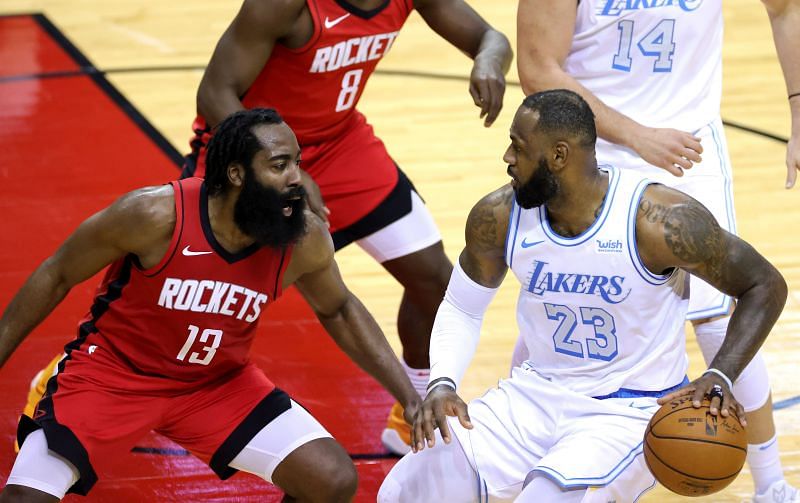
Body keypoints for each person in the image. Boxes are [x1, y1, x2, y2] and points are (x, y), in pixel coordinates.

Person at [377, 90, 788, 502]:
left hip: (625, 412)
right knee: (408, 486)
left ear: (558, 156)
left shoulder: (658, 222)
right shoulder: (498, 216)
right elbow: (463, 306)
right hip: (533, 395)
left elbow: (763, 285)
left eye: (518, 147)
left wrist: (719, 373)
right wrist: (443, 383)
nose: (507, 157)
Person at [0, 108, 421, 502]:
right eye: (279, 166)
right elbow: (56, 274)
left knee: (332, 479)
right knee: (24, 498)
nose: (298, 178)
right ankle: (54, 380)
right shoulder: (154, 214)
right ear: (237, 174)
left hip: (216, 384)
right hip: (114, 375)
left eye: (297, 162)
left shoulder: (301, 238)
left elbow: (340, 309)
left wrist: (410, 395)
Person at [182, 0, 512, 455]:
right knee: (178, 300)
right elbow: (215, 93)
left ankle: (411, 412)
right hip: (252, 156)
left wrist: (489, 59)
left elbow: (490, 36)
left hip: (341, 146)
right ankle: (68, 375)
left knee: (435, 279)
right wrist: (287, 168)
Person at [516, 1, 800, 500]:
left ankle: (772, 482)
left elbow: (786, 10)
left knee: (717, 320)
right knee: (559, 301)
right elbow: (539, 68)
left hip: (688, 148)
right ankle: (525, 444)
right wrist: (638, 136)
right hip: (590, 148)